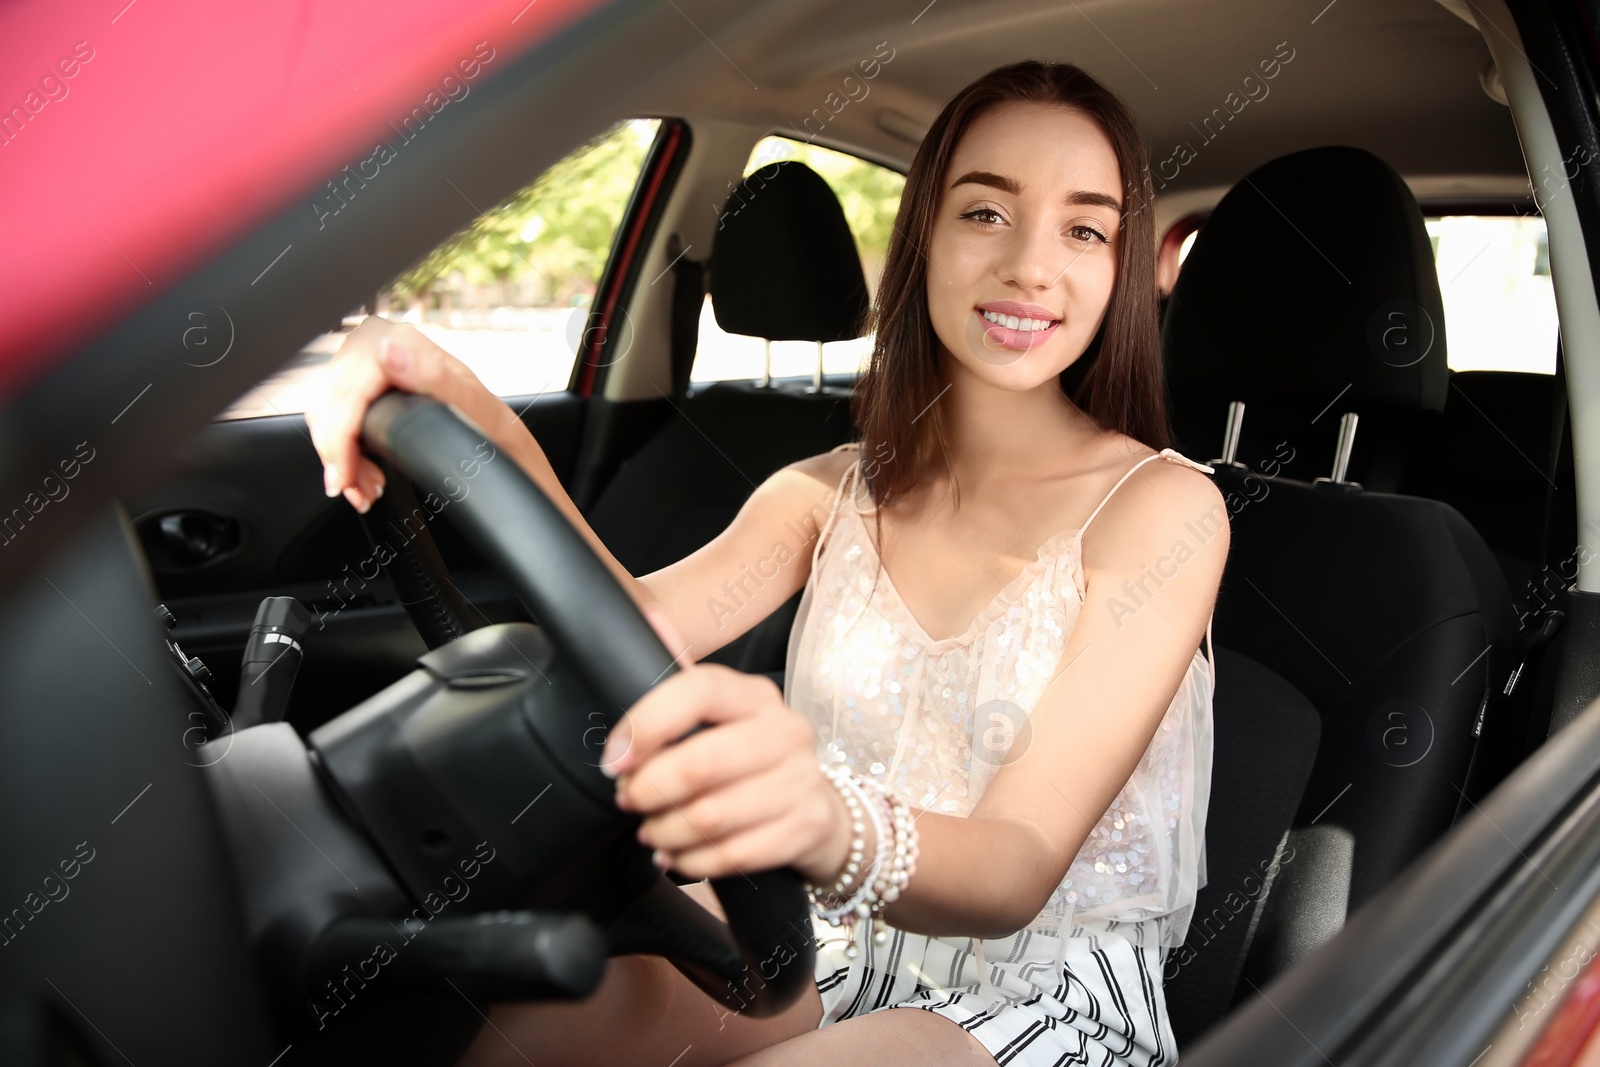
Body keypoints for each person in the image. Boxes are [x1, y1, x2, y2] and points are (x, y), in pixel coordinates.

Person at [306, 58, 1225, 1067]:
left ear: (1119, 271)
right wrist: (457, 399)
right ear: (921, 236)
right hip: (820, 943)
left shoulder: (1162, 512)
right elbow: (623, 621)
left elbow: (1016, 864)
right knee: (493, 1035)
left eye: (1084, 229)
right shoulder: (826, 492)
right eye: (984, 214)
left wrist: (820, 819)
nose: (1031, 267)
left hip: (1040, 992)